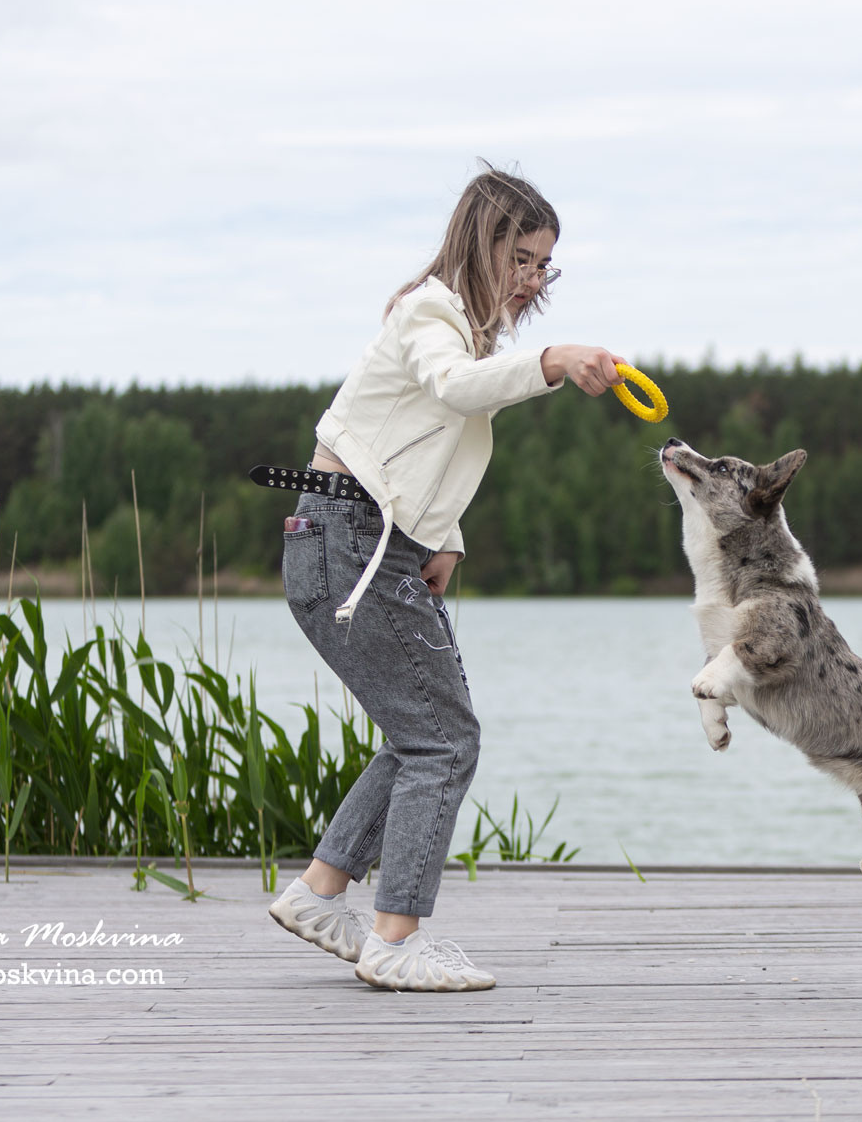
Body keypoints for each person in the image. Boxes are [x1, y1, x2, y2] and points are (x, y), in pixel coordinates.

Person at [264, 166, 625, 992]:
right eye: (524, 258)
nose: (534, 280)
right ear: (483, 240)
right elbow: (454, 389)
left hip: (362, 541)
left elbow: (425, 444)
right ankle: (395, 939)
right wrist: (554, 361)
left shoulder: (470, 331)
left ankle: (322, 892)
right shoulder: (432, 311)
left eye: (545, 266)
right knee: (444, 738)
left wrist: (447, 536)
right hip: (347, 543)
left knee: (420, 731)